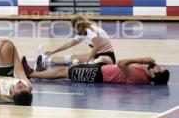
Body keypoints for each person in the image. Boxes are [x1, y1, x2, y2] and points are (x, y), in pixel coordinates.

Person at [22, 56, 170, 85]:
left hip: (98, 75)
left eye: (157, 69)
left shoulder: (139, 75)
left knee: (63, 72)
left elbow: (121, 63)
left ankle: (31, 74)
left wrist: (143, 59)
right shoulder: (144, 73)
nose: (156, 66)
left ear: (154, 76)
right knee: (66, 70)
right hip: (101, 70)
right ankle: (41, 71)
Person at [40, 16, 116, 67]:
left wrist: (89, 60)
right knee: (73, 57)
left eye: (74, 27)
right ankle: (47, 59)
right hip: (98, 54)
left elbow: (96, 46)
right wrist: (53, 51)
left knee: (76, 59)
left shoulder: (90, 30)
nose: (73, 29)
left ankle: (47, 60)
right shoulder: (82, 32)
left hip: (107, 57)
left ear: (79, 26)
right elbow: (69, 44)